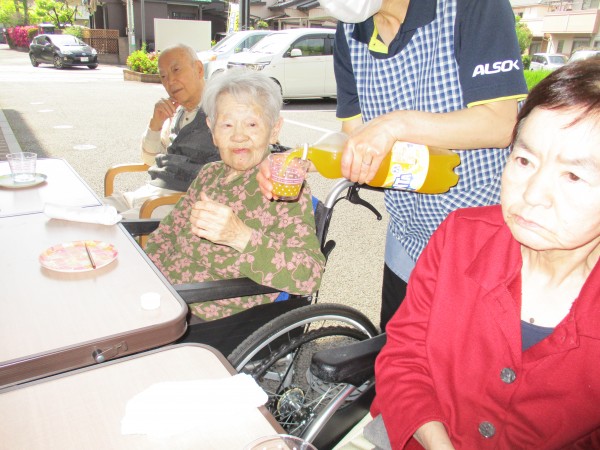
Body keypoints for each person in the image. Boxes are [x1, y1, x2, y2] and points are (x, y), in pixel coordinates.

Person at [367, 59, 600, 449]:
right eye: (524, 161)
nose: (532, 194)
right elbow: (403, 358)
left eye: (573, 176)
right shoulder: (460, 237)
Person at [260, 0, 529, 331]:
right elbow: (354, 137)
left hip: (479, 241)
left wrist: (396, 125)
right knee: (396, 349)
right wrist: (300, 159)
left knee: (464, 355)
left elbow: (501, 124)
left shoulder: (471, 7)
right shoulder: (351, 32)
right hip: (406, 236)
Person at [144, 68, 326, 322]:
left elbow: (309, 275)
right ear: (212, 130)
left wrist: (240, 236)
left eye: (252, 124)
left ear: (274, 129)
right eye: (227, 124)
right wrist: (144, 274)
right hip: (163, 295)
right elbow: (168, 232)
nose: (239, 136)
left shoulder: (283, 188)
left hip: (208, 318)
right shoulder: (209, 174)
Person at [104, 43, 220, 219]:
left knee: (111, 226)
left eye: (176, 70)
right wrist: (156, 124)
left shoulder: (221, 111)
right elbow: (149, 159)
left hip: (181, 203)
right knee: (92, 211)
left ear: (198, 69)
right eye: (163, 76)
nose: (170, 81)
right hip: (150, 193)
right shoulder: (176, 112)